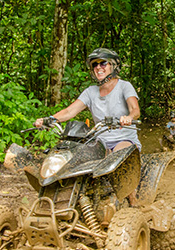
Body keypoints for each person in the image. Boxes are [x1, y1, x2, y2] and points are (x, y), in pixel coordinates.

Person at [35, 48, 141, 206]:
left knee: (119, 158)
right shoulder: (90, 92)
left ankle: (133, 200)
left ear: (113, 66)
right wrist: (50, 119)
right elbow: (70, 111)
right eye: (95, 65)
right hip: (99, 142)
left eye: (103, 63)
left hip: (123, 139)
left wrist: (128, 118)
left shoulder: (124, 86)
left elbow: (135, 109)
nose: (98, 67)